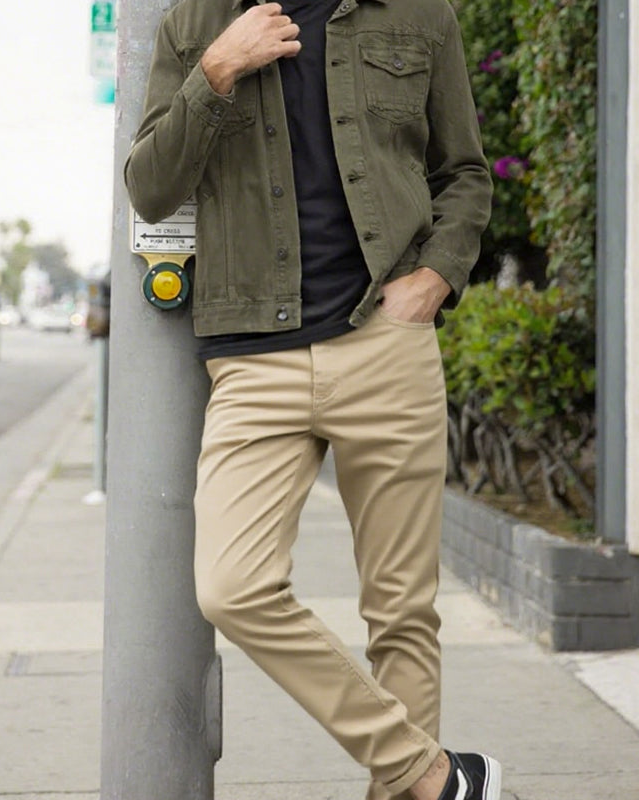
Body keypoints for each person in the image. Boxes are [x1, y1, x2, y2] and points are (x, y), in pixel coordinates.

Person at [125, 0, 497, 798]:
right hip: (252, 358)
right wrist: (217, 70)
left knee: (402, 613)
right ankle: (433, 773)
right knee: (232, 585)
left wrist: (434, 279)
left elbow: (464, 173)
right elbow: (150, 189)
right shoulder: (197, 22)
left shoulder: (420, 15)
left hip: (384, 340)